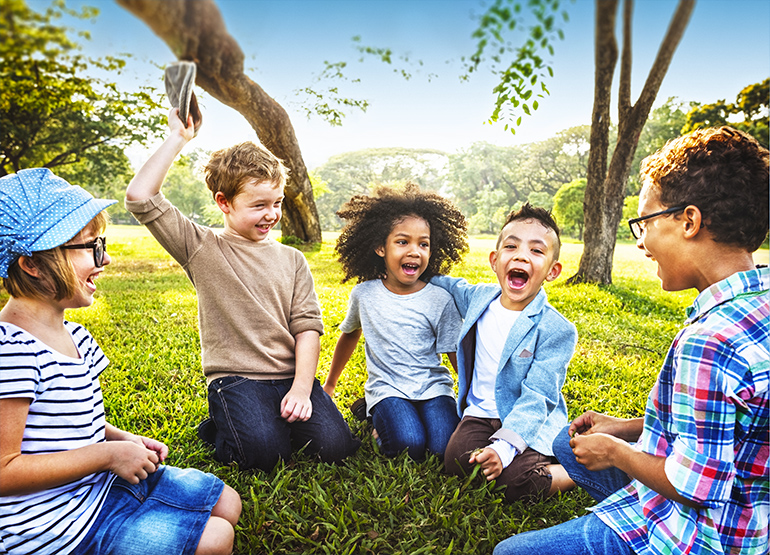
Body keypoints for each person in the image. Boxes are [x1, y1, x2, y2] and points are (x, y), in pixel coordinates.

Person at [495, 126, 769, 555]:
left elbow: (695, 488)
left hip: (698, 536)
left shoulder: (710, 342)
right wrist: (625, 428)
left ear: (689, 220)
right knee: (565, 442)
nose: (641, 242)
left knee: (508, 553)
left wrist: (617, 452)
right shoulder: (759, 302)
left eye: (644, 222)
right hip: (754, 517)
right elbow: (737, 424)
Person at [0, 168, 241, 555]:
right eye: (91, 248)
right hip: (58, 529)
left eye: (103, 244)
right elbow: (4, 470)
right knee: (216, 538)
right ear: (32, 264)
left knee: (229, 504)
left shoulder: (76, 335)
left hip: (97, 485)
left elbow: (72, 422)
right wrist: (108, 455)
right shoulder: (10, 351)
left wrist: (122, 440)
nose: (106, 259)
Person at [125, 110, 360, 472]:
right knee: (263, 456)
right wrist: (179, 138)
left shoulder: (293, 259)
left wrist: (301, 389)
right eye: (259, 205)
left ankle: (270, 421)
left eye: (277, 202)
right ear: (224, 202)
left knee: (336, 447)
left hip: (289, 376)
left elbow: (307, 329)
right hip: (236, 380)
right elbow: (140, 197)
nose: (271, 214)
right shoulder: (201, 246)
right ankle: (221, 425)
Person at [431, 203, 578, 502]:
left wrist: (504, 447)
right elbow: (447, 284)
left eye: (537, 251)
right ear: (495, 261)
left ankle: (571, 469)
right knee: (457, 461)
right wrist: (412, 271)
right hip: (480, 415)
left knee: (514, 483)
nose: (522, 255)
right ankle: (503, 457)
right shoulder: (479, 298)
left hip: (527, 418)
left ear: (552, 271)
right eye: (511, 246)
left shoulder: (556, 329)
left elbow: (538, 396)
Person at [322, 184, 467, 460]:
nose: (415, 251)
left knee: (441, 448)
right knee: (408, 444)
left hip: (434, 388)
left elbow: (453, 351)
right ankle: (377, 420)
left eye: (423, 244)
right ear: (380, 247)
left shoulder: (440, 298)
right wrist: (330, 385)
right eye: (403, 242)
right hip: (388, 388)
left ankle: (383, 416)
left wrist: (474, 398)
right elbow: (350, 334)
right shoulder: (364, 294)